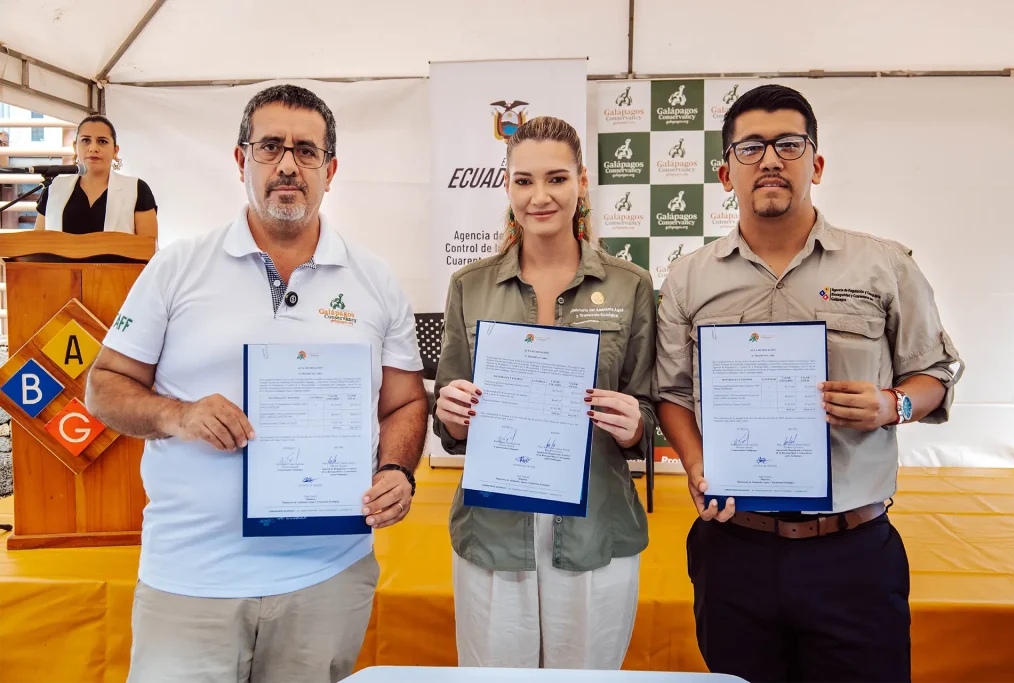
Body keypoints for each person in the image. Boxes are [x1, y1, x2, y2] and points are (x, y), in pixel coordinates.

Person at [84, 85, 428, 683]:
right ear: (242, 161)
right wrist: (178, 414)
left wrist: (397, 472)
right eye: (270, 147)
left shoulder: (375, 280)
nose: (288, 164)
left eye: (306, 151)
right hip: (190, 579)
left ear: (331, 169)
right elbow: (104, 386)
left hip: (327, 578)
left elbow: (404, 402)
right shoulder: (177, 266)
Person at [655, 84, 964, 683]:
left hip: (851, 551)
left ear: (815, 164)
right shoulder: (688, 279)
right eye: (750, 148)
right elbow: (670, 393)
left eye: (788, 144)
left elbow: (938, 372)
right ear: (727, 173)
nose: (770, 159)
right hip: (733, 546)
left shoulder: (882, 264)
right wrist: (696, 466)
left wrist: (892, 403)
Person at [432, 116, 655, 669]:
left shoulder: (631, 286)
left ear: (582, 182)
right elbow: (448, 416)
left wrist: (636, 425)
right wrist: (453, 414)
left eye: (556, 178)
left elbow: (652, 408)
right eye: (524, 180)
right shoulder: (471, 286)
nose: (540, 196)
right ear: (507, 187)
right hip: (495, 531)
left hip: (594, 530)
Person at [34, 114, 158, 237]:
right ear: (75, 147)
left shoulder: (136, 189)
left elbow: (148, 249)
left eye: (102, 141)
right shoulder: (54, 188)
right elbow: (36, 244)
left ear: (115, 151)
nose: (93, 148)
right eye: (86, 140)